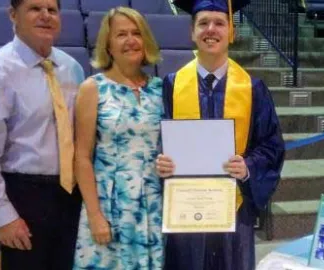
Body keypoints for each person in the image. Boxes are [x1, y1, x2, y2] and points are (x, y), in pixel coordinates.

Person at [155, 0, 285, 269]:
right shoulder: (171, 84)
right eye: (203, 23)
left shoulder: (252, 88)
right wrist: (160, 161)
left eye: (219, 23)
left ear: (232, 31)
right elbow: (157, 141)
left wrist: (248, 166)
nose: (210, 30)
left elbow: (271, 146)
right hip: (186, 210)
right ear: (192, 31)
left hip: (234, 209)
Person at [0, 0, 84, 269]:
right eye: (35, 8)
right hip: (25, 195)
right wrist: (3, 217)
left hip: (71, 194)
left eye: (52, 10)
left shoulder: (72, 68)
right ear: (13, 15)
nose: (45, 16)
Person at [72, 7, 164, 269]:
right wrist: (94, 215)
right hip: (109, 204)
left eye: (136, 33)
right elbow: (82, 157)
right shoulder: (93, 88)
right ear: (108, 44)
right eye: (121, 34)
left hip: (153, 203)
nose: (130, 40)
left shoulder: (160, 89)